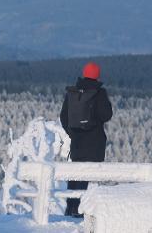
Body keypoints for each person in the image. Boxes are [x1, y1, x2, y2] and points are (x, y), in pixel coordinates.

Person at [60, 62, 113, 217]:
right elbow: (106, 115)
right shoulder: (99, 93)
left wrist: (73, 134)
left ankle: (70, 208)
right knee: (87, 175)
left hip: (77, 143)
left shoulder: (73, 93)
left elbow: (64, 117)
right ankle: (80, 210)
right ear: (97, 75)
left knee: (75, 173)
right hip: (94, 142)